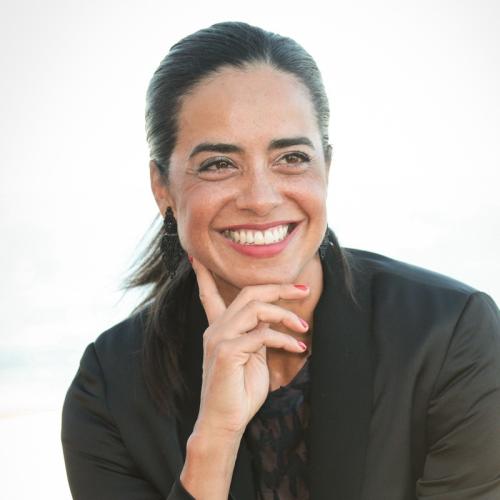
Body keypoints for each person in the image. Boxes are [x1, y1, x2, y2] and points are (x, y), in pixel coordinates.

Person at [61, 21, 500, 500]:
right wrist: (214, 440)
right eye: (219, 164)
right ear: (162, 187)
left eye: (291, 158)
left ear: (326, 168)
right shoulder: (108, 388)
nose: (261, 198)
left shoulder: (450, 335)